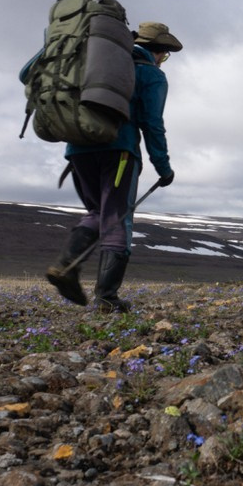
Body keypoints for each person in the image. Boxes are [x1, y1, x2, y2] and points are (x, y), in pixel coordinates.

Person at [44, 22, 182, 312]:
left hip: (77, 149)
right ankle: (105, 296)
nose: (163, 59)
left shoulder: (89, 60)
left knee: (97, 212)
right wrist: (163, 167)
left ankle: (67, 268)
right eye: (165, 54)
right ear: (159, 51)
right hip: (119, 151)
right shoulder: (149, 73)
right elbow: (152, 124)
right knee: (117, 218)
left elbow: (25, 73)